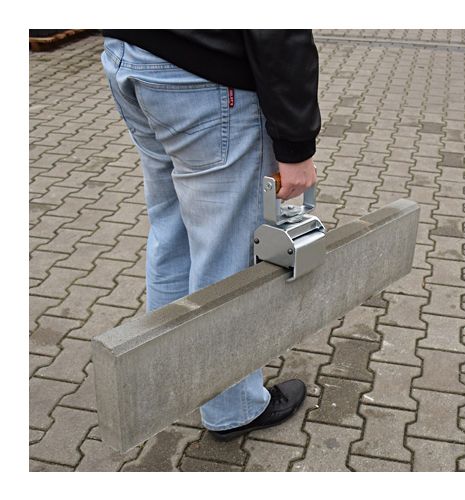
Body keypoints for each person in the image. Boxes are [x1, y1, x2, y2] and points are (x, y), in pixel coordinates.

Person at [101, 30, 321, 441]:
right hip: (206, 76)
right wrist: (296, 144)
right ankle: (231, 408)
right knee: (227, 257)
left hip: (130, 53)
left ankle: (168, 376)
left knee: (172, 233)